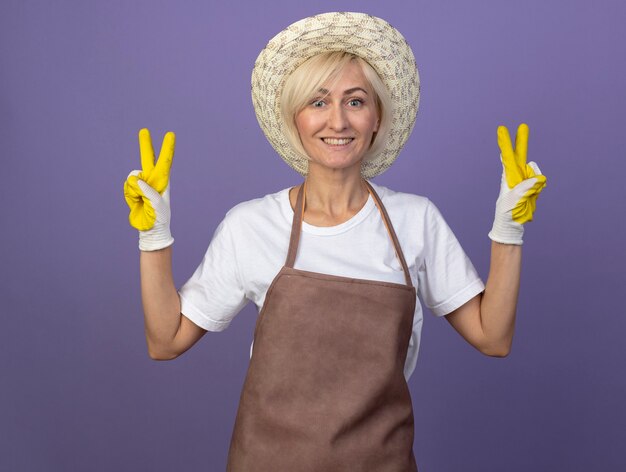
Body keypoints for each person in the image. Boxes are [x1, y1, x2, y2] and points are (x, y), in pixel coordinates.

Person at [123, 12, 546, 472]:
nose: (338, 121)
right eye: (318, 102)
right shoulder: (251, 225)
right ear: (296, 118)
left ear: (377, 117)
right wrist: (154, 237)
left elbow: (493, 337)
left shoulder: (415, 220)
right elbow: (165, 341)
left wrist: (508, 231)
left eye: (356, 101)